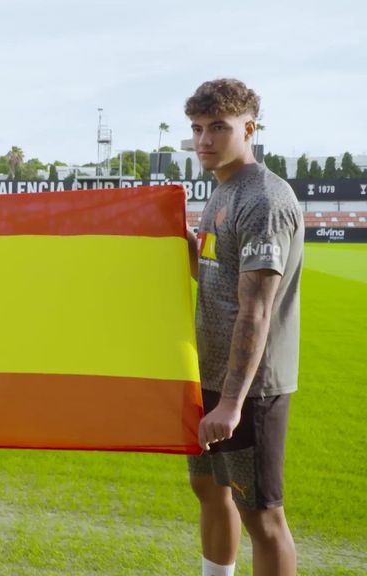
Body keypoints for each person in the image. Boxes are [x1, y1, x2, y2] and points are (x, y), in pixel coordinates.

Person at [184, 79, 303, 576]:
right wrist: (189, 246)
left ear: (249, 128)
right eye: (196, 129)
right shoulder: (222, 192)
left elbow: (254, 309)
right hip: (210, 372)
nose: (204, 140)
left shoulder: (264, 199)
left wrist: (232, 403)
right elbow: (215, 275)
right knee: (209, 489)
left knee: (261, 513)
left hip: (251, 388)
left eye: (218, 127)